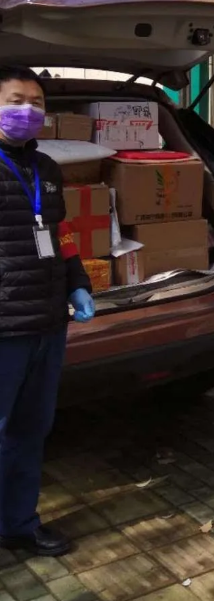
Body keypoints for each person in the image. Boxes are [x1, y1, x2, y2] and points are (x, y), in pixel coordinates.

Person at [0, 66, 95, 557]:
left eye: (36, 103)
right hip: (4, 328)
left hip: (48, 321)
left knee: (31, 429)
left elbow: (62, 234)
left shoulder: (46, 169)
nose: (28, 110)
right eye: (16, 100)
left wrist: (78, 284)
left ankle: (19, 523)